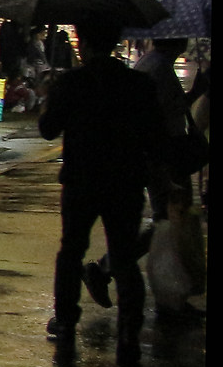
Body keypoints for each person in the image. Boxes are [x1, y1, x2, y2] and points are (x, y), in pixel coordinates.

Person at [76, 33, 193, 338]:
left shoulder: (150, 67)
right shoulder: (154, 71)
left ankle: (109, 276)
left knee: (162, 222)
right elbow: (157, 121)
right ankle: (108, 275)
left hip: (141, 163)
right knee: (162, 221)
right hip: (150, 162)